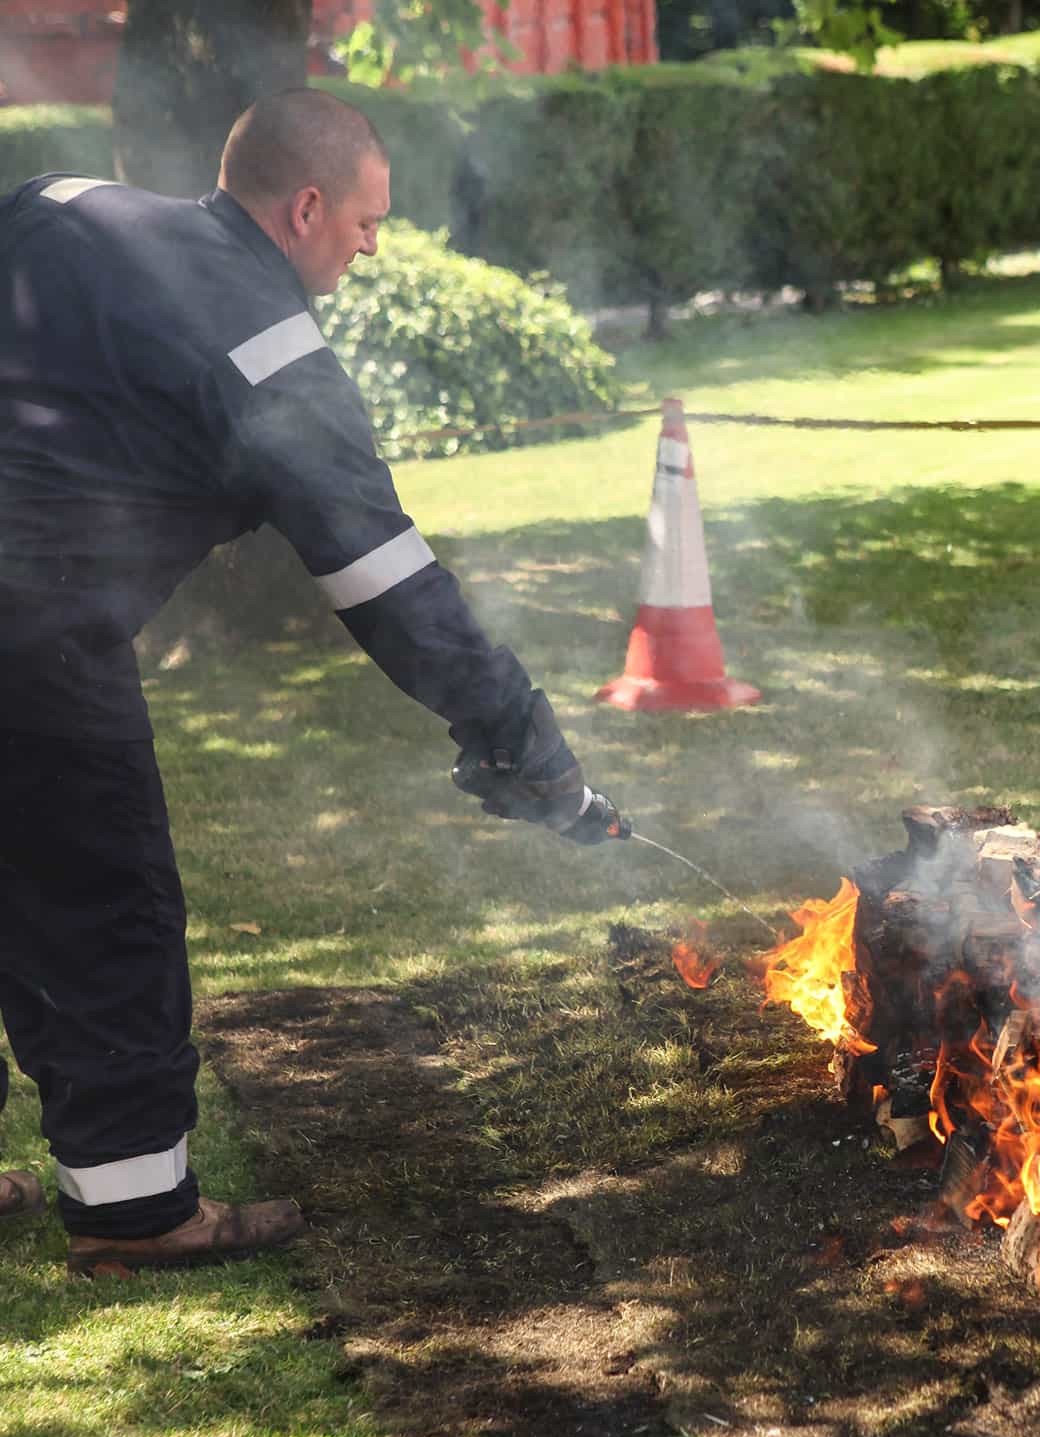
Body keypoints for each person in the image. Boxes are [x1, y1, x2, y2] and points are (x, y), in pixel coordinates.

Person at [0, 88, 624, 1278]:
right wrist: (521, 736)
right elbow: (387, 581)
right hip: (30, 638)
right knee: (102, 901)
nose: (371, 246)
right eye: (367, 222)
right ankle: (137, 1215)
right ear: (305, 207)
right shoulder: (279, 356)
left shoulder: (63, 204)